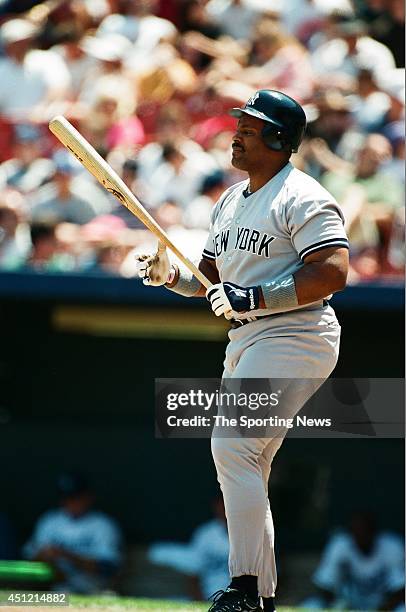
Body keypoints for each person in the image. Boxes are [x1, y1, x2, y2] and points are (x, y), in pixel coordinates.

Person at [137, 88, 349, 611]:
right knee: (248, 462)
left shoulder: (303, 195)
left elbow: (333, 271)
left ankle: (243, 589)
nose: (236, 135)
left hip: (298, 333)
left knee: (231, 443)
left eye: (250, 129)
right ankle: (263, 595)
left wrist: (252, 296)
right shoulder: (230, 201)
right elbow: (210, 280)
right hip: (251, 337)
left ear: (279, 139)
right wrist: (172, 278)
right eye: (241, 126)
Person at [23, 471, 122, 594]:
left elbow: (108, 568)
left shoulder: (103, 525)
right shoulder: (49, 521)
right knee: (14, 599)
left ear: (88, 496)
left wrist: (67, 555)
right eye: (66, 497)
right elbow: (29, 561)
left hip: (93, 591)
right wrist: (45, 558)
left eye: (75, 497)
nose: (70, 502)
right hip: (57, 591)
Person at [302, 511, 405, 610]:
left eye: (365, 531)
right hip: (347, 603)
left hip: (382, 603)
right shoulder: (339, 546)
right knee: (311, 605)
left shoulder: (392, 547)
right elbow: (324, 584)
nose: (360, 535)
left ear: (374, 532)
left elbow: (401, 590)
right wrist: (336, 604)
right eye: (356, 531)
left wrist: (383, 608)